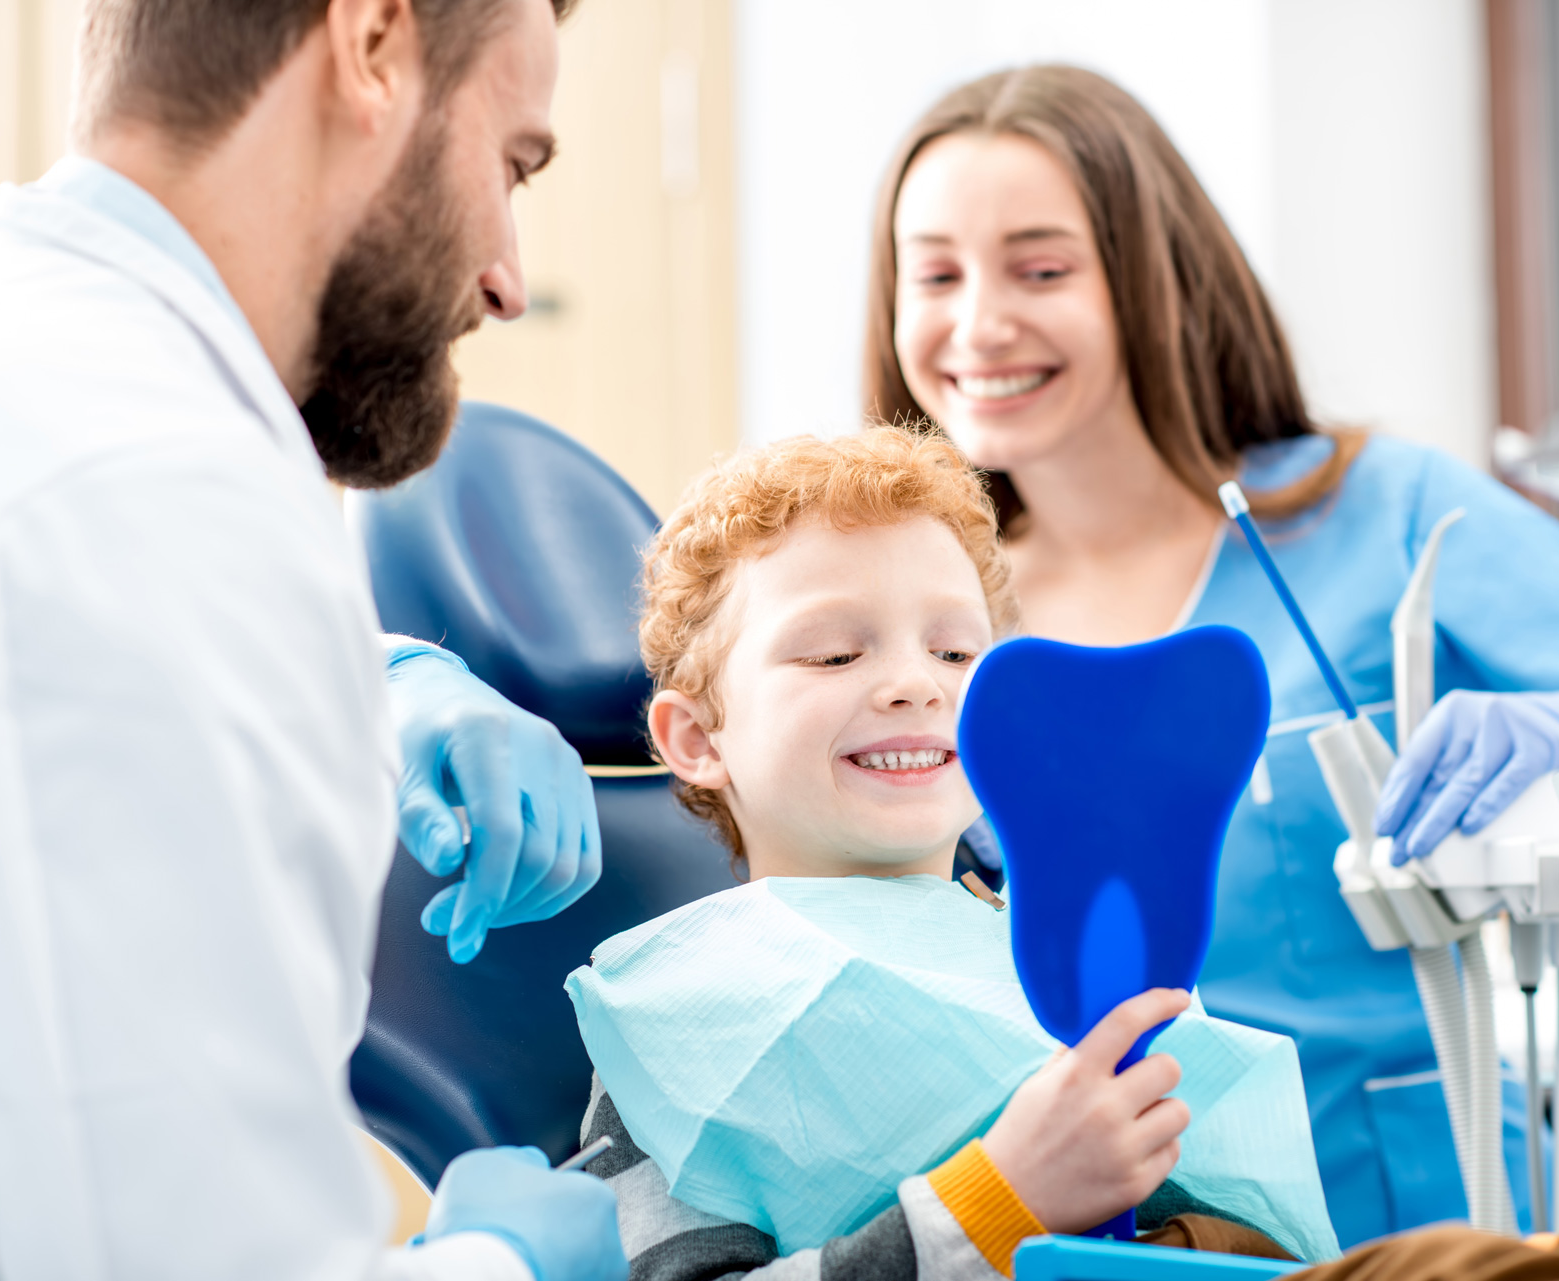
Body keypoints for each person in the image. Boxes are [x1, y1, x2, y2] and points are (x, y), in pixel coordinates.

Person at [858, 64, 1559, 1246]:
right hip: (1080, 1242)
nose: (979, 325)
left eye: (1042, 268)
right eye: (937, 275)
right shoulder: (921, 613)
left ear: (1153, 281)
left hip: (1414, 1224)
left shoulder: (1388, 513)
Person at [0, 1, 621, 1277]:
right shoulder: (155, 492)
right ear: (371, 46)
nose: (507, 278)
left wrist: (385, 683)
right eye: (511, 165)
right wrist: (503, 1265)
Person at [562, 428, 1338, 1281]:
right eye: (835, 653)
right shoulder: (681, 1022)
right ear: (701, 737)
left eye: (957, 652)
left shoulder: (1077, 956)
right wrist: (1000, 1199)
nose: (917, 683)